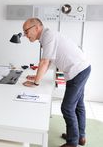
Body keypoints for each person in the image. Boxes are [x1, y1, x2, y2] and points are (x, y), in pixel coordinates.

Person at [22, 18, 91, 147]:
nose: (25, 35)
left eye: (26, 32)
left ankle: (72, 142)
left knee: (67, 107)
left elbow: (45, 61)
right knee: (79, 104)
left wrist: (36, 83)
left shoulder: (48, 36)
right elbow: (50, 60)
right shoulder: (48, 36)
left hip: (78, 71)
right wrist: (37, 76)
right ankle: (80, 137)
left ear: (36, 28)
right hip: (82, 68)